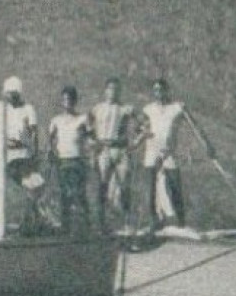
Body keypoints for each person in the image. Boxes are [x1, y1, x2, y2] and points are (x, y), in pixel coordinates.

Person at [136, 77, 216, 231]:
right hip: (152, 150)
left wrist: (207, 145)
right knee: (150, 187)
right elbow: (140, 127)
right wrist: (139, 135)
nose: (158, 93)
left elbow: (195, 127)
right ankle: (154, 220)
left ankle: (181, 222)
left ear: (167, 90)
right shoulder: (148, 109)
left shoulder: (177, 107)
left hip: (168, 151)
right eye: (156, 90)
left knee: (175, 185)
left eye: (161, 90)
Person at [89, 77, 135, 232]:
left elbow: (143, 125)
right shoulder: (97, 109)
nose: (113, 92)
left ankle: (128, 223)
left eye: (116, 89)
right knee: (102, 185)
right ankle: (101, 223)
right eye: (110, 89)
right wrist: (93, 149)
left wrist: (134, 142)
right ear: (105, 90)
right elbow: (89, 129)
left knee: (124, 186)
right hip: (104, 149)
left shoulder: (125, 108)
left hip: (120, 149)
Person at [47, 85, 93, 234]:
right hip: (62, 161)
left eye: (70, 99)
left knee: (79, 193)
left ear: (75, 101)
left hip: (77, 160)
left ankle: (85, 225)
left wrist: (91, 152)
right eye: (65, 99)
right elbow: (50, 140)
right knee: (64, 194)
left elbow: (91, 137)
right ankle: (65, 227)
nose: (67, 102)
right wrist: (50, 152)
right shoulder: (56, 120)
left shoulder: (82, 118)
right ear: (62, 101)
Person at [0, 77, 43, 231]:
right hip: (10, 157)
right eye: (8, 94)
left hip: (25, 155)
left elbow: (33, 133)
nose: (11, 97)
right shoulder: (3, 110)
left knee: (35, 186)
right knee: (28, 187)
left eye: (14, 93)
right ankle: (29, 221)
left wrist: (34, 154)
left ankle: (31, 221)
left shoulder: (28, 109)